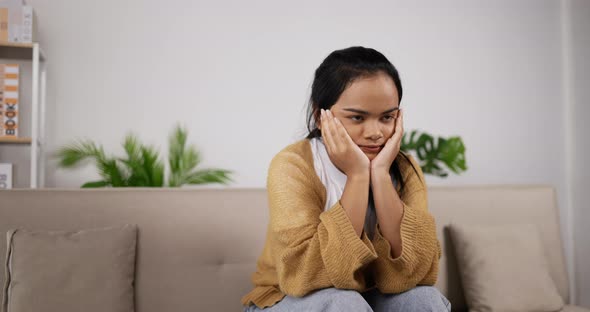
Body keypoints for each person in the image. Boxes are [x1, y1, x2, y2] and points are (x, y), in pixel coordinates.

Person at [241, 46, 451, 311]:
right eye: (357, 117)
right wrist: (358, 175)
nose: (375, 133)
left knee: (424, 300)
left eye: (387, 117)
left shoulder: (405, 170)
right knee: (343, 303)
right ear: (320, 115)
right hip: (288, 299)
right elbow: (304, 276)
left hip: (368, 299)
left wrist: (381, 176)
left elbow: (414, 275)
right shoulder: (293, 165)